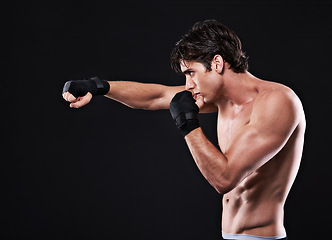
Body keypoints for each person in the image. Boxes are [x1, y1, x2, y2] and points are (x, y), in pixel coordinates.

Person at [62, 19, 305, 240]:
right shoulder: (221, 99)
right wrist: (98, 86)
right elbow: (155, 96)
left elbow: (226, 179)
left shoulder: (277, 102)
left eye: (191, 73)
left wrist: (188, 124)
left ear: (217, 63)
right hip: (228, 234)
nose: (188, 85)